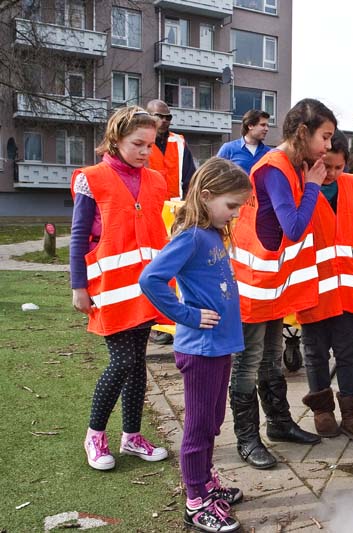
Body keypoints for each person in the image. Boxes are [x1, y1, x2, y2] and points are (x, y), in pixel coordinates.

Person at [140, 157, 250, 533]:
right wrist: (185, 315)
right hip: (200, 349)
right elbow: (151, 279)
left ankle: (206, 481)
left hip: (220, 347)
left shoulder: (213, 233)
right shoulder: (189, 236)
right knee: (198, 427)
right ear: (206, 197)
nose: (234, 215)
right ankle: (195, 501)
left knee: (214, 421)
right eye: (231, 206)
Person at [228, 98, 336, 469]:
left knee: (271, 358)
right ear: (303, 132)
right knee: (248, 362)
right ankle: (246, 438)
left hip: (273, 282)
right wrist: (313, 186)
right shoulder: (274, 167)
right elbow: (293, 226)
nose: (327, 146)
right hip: (254, 283)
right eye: (324, 137)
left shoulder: (293, 164)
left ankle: (279, 423)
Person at [69, 106, 170, 471]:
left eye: (151, 144)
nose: (145, 151)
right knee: (123, 361)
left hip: (146, 288)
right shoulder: (92, 178)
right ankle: (94, 435)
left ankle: (131, 436)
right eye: (138, 144)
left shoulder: (157, 180)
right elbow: (79, 235)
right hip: (110, 289)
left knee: (137, 363)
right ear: (116, 140)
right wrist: (78, 285)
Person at [297, 130, 353, 443]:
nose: (330, 173)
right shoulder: (301, 186)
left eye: (338, 167)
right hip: (312, 288)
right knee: (314, 351)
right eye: (325, 166)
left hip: (345, 288)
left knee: (349, 352)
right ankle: (322, 410)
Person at [146, 99, 197, 346]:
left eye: (168, 117)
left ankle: (170, 319)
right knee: (154, 266)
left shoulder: (179, 142)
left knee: (176, 265)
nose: (164, 121)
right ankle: (154, 321)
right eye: (159, 116)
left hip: (176, 211)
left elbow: (189, 177)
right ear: (148, 116)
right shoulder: (142, 141)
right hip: (150, 210)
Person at [217, 109, 272, 175]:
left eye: (267, 126)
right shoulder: (228, 149)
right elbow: (216, 174)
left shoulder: (269, 153)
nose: (266, 129)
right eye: (263, 125)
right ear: (250, 126)